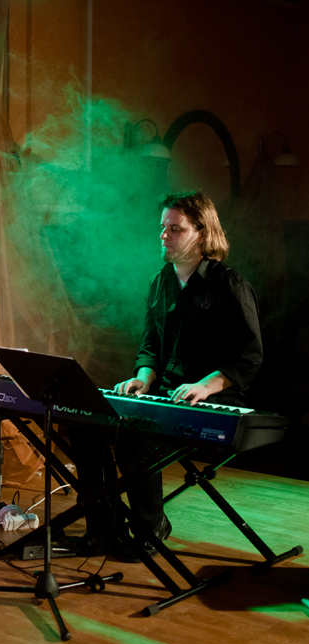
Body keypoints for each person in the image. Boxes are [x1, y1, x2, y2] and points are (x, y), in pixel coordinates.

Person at [62, 190, 263, 562]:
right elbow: (151, 344)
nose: (164, 235)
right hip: (167, 392)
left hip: (215, 396)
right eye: (163, 227)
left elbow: (250, 355)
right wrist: (144, 377)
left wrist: (204, 386)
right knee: (85, 428)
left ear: (201, 233)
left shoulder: (229, 285)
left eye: (176, 229)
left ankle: (151, 528)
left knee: (135, 446)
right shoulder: (160, 282)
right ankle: (103, 530)